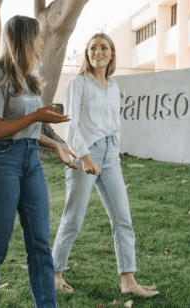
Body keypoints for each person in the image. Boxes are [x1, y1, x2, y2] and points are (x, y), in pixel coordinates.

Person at [0, 15, 77, 308]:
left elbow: (26, 130)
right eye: (39, 37)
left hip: (30, 161)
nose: (43, 42)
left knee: (41, 245)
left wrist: (55, 144)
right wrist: (37, 116)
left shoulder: (30, 79)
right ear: (26, 39)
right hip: (1, 164)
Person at [51, 33, 159, 298]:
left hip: (110, 156)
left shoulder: (113, 87)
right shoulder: (78, 84)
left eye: (104, 48)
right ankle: (53, 274)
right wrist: (84, 155)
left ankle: (128, 281)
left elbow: (115, 125)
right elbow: (70, 122)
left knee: (123, 217)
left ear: (111, 54)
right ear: (87, 54)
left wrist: (114, 156)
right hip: (85, 153)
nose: (98, 52)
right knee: (73, 217)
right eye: (93, 48)